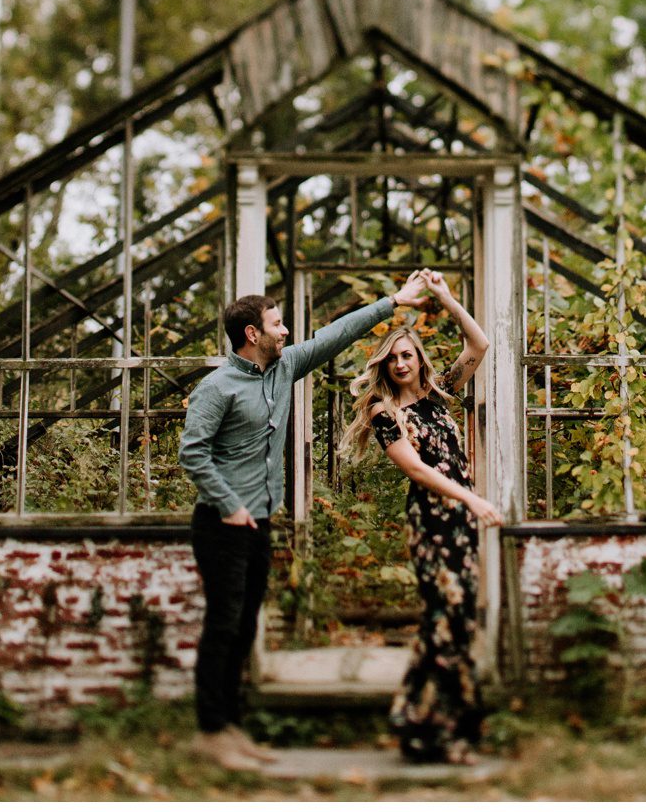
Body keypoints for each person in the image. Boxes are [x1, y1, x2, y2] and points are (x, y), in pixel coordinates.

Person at [179, 269, 433, 772]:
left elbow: (335, 335)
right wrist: (229, 504)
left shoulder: (284, 367)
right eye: (277, 324)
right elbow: (193, 454)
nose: (286, 331)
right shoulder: (217, 387)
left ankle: (230, 727)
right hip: (222, 524)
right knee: (223, 626)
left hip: (257, 524)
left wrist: (393, 303)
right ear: (253, 334)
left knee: (245, 625)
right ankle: (211, 731)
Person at [339, 269, 498, 765]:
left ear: (418, 359)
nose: (402, 362)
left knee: (449, 621)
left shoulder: (440, 395)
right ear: (384, 365)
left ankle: (413, 718)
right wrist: (470, 498)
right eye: (394, 357)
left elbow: (481, 344)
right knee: (447, 618)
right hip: (432, 521)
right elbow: (416, 469)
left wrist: (447, 300)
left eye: (408, 354)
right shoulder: (386, 414)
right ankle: (452, 733)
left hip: (461, 524)